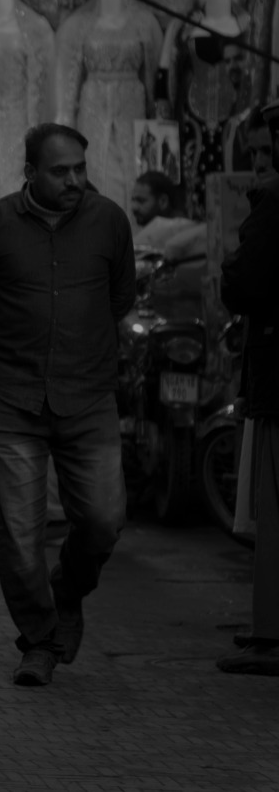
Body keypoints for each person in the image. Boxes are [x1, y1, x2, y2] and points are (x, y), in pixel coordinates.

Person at [0, 123, 135, 687]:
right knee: (19, 534)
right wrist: (12, 340)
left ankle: (69, 591)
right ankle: (38, 639)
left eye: (80, 168)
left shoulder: (109, 221)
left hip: (88, 397)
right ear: (30, 173)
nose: (75, 180)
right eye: (61, 171)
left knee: (104, 520)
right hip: (14, 398)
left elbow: (119, 297)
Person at [216, 108, 279, 675]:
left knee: (274, 506)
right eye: (253, 153)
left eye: (267, 150)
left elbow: (242, 280)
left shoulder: (273, 205)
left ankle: (271, 634)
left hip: (277, 374)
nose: (259, 162)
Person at [128, 171, 198, 254]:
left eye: (141, 201)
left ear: (163, 201)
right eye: (133, 200)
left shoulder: (177, 228)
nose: (134, 207)